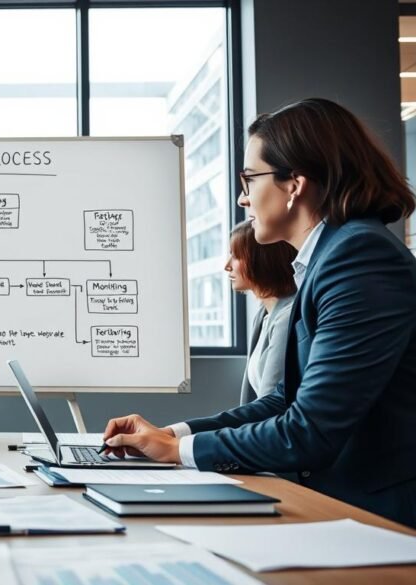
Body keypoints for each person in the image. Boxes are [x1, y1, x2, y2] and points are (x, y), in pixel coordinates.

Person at [102, 98, 416, 527]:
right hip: (342, 506)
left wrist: (178, 452)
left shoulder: (358, 255)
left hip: (381, 519)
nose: (242, 197)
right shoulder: (328, 257)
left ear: (294, 184)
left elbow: (311, 430)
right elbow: (281, 401)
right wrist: (173, 435)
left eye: (249, 179)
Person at [225, 220, 296, 404]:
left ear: (261, 259)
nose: (227, 265)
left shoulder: (286, 318)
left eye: (235, 256)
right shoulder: (262, 315)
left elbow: (270, 404)